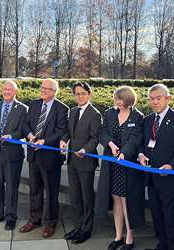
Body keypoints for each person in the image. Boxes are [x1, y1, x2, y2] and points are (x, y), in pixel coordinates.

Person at [138, 84, 174, 250]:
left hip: (171, 179)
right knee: (157, 215)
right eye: (151, 99)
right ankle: (162, 244)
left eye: (158, 98)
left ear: (168, 99)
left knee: (171, 217)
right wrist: (141, 155)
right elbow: (142, 145)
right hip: (152, 177)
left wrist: (171, 165)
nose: (154, 102)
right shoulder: (147, 120)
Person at [96, 86, 144, 250]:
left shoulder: (137, 116)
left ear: (129, 99)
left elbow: (136, 140)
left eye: (120, 99)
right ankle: (118, 235)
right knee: (116, 199)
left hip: (127, 166)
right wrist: (110, 144)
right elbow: (102, 133)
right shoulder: (110, 113)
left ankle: (129, 237)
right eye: (115, 99)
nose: (117, 102)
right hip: (112, 164)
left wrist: (124, 153)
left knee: (126, 201)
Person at [20, 78, 69, 238]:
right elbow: (25, 124)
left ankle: (50, 222)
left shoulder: (62, 108)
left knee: (51, 191)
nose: (43, 90)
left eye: (47, 89)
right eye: (42, 87)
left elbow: (61, 130)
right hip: (33, 154)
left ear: (55, 92)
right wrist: (29, 135)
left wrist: (44, 141)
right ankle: (35, 220)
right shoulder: (33, 104)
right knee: (34, 190)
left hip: (50, 157)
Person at [60, 82, 102, 244]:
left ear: (89, 94)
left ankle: (86, 229)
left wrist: (86, 149)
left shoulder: (95, 114)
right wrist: (63, 141)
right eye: (77, 94)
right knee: (75, 196)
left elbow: (95, 138)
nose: (80, 96)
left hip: (86, 161)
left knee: (86, 197)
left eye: (83, 93)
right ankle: (77, 226)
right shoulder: (72, 111)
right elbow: (67, 132)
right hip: (72, 161)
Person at [0, 80, 28, 230]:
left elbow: (22, 130)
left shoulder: (22, 109)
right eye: (5, 89)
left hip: (12, 154)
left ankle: (10, 217)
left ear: (15, 92)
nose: (7, 92)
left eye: (10, 89)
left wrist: (10, 137)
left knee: (12, 187)